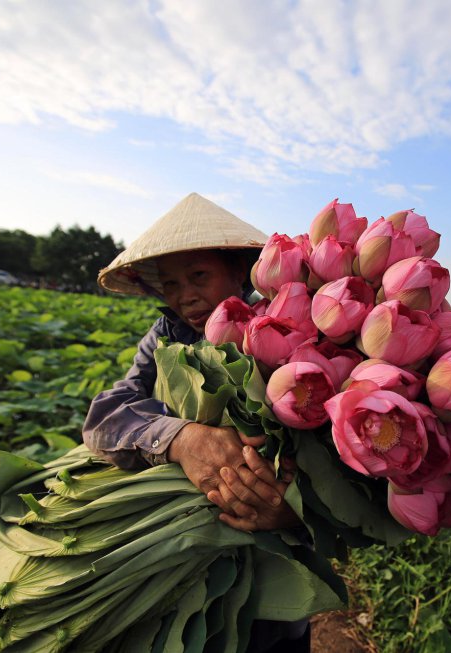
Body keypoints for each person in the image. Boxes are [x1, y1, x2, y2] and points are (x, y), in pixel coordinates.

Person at [82, 193, 309, 651]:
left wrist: (293, 509)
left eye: (199, 276)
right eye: (170, 284)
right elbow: (106, 416)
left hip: (273, 544)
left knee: (273, 632)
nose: (185, 295)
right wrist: (181, 438)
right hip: (187, 548)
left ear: (238, 271)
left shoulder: (283, 326)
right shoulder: (165, 335)